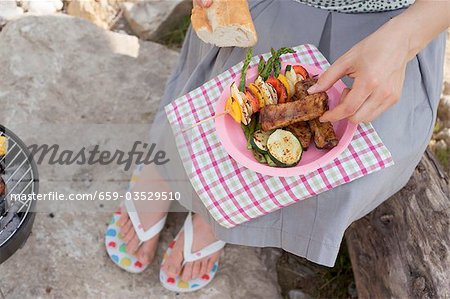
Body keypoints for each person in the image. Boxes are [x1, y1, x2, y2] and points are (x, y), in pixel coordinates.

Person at [104, 0, 449, 292]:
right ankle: (165, 170)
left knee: (329, 160)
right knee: (213, 104)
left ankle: (216, 212)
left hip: (390, 30)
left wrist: (404, 39)